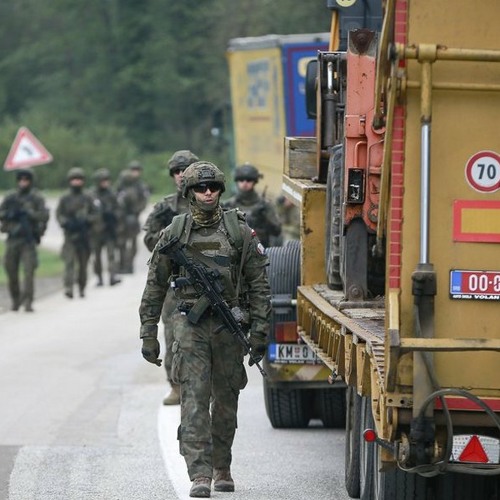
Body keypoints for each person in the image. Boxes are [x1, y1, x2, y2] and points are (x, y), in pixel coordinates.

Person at [139, 161, 271, 498]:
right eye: (201, 187)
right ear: (190, 192)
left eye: (213, 186)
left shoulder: (239, 231)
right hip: (190, 324)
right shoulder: (175, 232)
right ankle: (199, 473)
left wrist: (259, 333)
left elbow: (258, 285)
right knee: (194, 398)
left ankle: (221, 466)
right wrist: (149, 332)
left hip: (229, 326)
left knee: (226, 400)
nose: (208, 192)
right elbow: (155, 285)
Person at [142, 149, 199, 406]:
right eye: (176, 171)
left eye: (184, 170)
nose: (180, 176)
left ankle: (204, 386)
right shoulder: (165, 208)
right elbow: (148, 239)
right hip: (173, 282)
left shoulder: (210, 199)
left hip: (204, 282)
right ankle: (175, 385)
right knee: (172, 337)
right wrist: (170, 239)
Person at [0, 169, 49, 312]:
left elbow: (44, 216)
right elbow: (1, 213)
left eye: (26, 180)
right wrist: (11, 214)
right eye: (21, 180)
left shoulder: (36, 198)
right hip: (12, 239)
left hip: (28, 241)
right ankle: (16, 300)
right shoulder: (11, 198)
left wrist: (30, 214)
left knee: (28, 272)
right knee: (11, 272)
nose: (23, 182)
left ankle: (28, 301)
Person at [56, 167, 96, 299]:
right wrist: (66, 223)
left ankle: (82, 287)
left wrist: (86, 220)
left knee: (83, 264)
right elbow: (59, 214)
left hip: (85, 237)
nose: (76, 182)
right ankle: (68, 287)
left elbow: (95, 214)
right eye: (74, 180)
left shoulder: (88, 197)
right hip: (70, 236)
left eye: (79, 180)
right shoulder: (65, 198)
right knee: (69, 263)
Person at [222, 163, 282, 247]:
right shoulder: (228, 205)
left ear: (254, 182)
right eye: (241, 180)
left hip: (261, 248)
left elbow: (277, 231)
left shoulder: (265, 205)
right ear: (237, 181)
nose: (245, 183)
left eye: (248, 180)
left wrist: (265, 218)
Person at [116, 160, 150, 273]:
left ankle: (129, 264)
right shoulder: (121, 184)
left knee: (133, 242)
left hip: (133, 217)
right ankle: (122, 264)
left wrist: (136, 211)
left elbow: (144, 201)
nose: (135, 173)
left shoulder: (141, 186)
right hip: (121, 218)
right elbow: (115, 199)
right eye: (133, 170)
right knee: (121, 242)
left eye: (137, 171)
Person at [90, 168, 121, 287]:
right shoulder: (92, 195)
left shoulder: (112, 194)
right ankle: (99, 277)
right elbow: (88, 211)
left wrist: (112, 215)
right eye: (102, 180)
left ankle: (112, 276)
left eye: (106, 180)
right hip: (96, 231)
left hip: (109, 229)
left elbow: (118, 210)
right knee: (97, 256)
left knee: (111, 254)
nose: (105, 182)